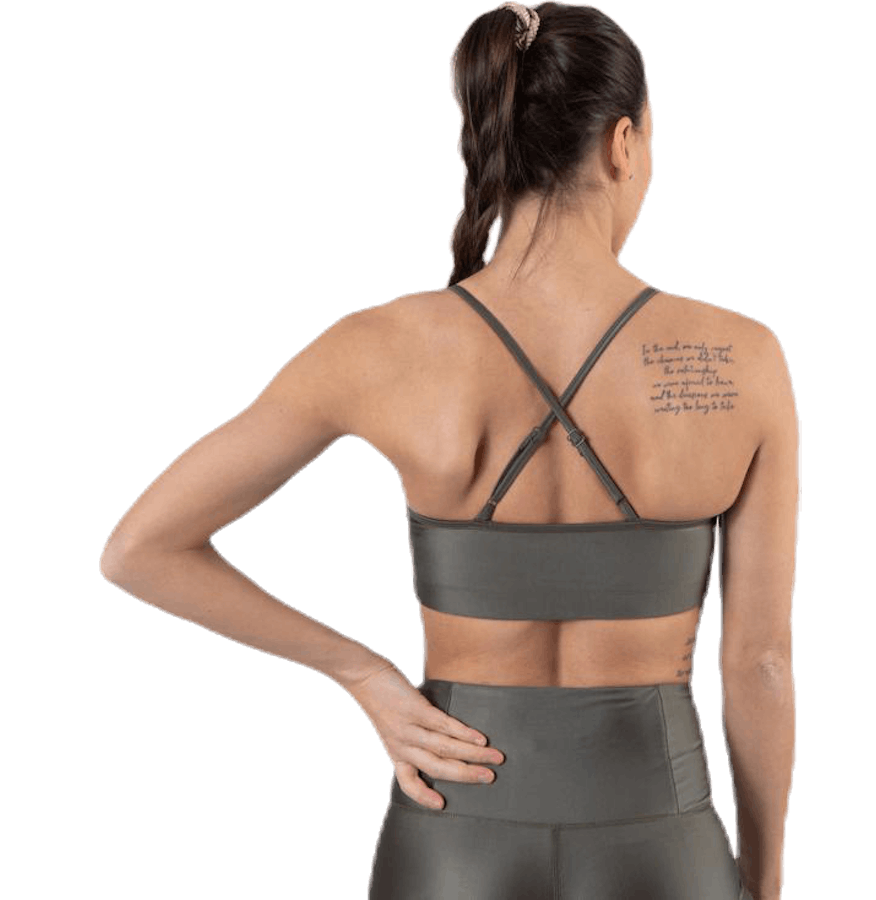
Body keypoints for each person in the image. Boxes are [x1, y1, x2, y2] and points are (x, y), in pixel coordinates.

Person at [100, 2, 798, 898]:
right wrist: (764, 880)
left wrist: (362, 673)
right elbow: (760, 665)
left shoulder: (382, 347)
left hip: (452, 837)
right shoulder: (741, 359)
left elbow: (138, 549)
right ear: (622, 145)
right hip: (661, 844)